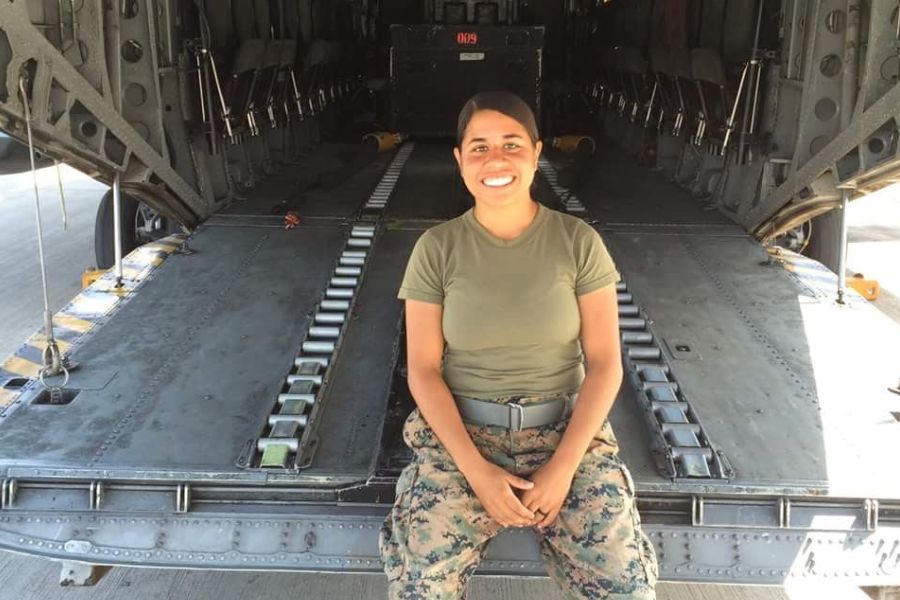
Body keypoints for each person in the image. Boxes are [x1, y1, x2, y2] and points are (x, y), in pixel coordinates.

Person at [379, 90, 658, 599]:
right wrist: (477, 473)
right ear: (460, 161)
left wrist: (563, 468)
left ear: (535, 152)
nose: (496, 160)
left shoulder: (578, 242)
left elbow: (604, 364)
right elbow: (422, 369)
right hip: (465, 435)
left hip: (565, 430)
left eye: (511, 144)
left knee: (625, 587)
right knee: (419, 587)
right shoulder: (436, 248)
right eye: (479, 147)